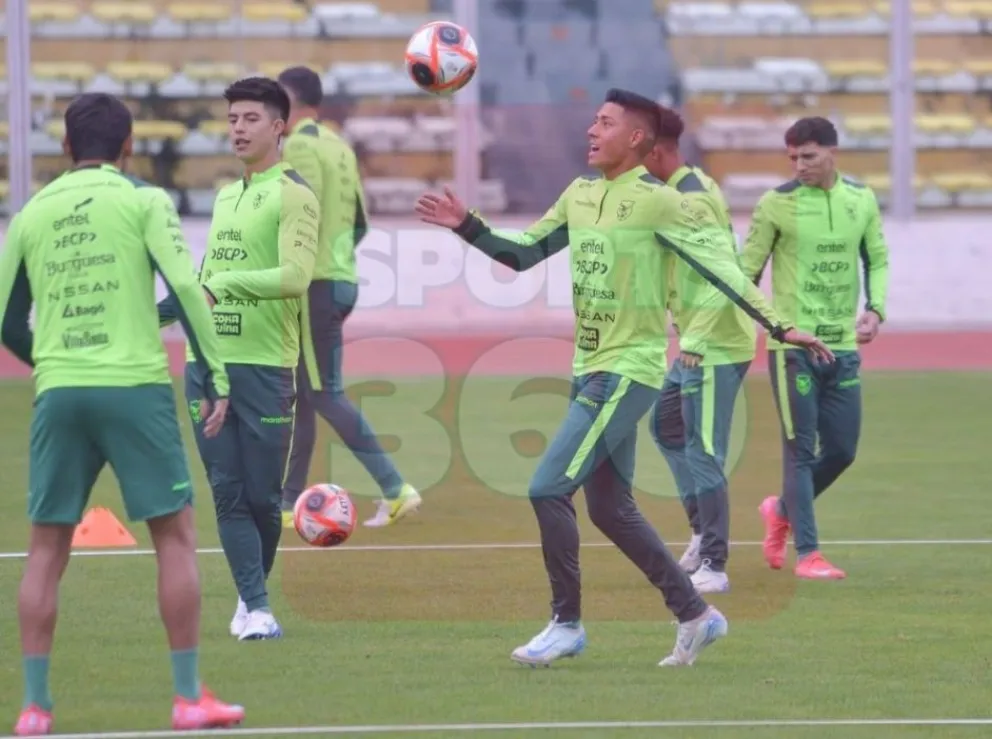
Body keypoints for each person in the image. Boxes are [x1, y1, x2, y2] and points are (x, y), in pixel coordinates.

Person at [415, 88, 834, 668]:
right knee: (611, 510)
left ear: (636, 138)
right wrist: (467, 225)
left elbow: (724, 270)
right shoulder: (581, 195)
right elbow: (522, 255)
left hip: (628, 371)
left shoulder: (661, 203)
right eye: (592, 119)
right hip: (587, 368)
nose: (591, 129)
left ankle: (567, 624)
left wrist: (783, 328)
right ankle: (695, 614)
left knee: (547, 488)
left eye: (605, 122)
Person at [0, 92, 244, 735]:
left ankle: (32, 708)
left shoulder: (30, 214)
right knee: (174, 537)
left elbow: (4, 320)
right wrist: (216, 374)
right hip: (135, 388)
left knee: (46, 549)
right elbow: (185, 288)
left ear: (65, 150)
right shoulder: (144, 202)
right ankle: (188, 698)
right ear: (130, 145)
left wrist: (51, 361)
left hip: (60, 392)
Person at [159, 77, 320, 640]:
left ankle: (254, 599)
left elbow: (295, 278)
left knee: (261, 498)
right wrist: (149, 314)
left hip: (267, 367)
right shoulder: (226, 197)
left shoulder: (294, 195)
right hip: (210, 364)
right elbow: (201, 284)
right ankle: (257, 605)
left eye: (250, 119)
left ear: (279, 127)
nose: (237, 129)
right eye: (232, 120)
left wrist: (223, 284)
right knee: (227, 491)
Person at [739, 116, 889, 580]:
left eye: (808, 156)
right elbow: (746, 275)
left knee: (842, 450)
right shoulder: (775, 205)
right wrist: (778, 327)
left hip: (842, 347)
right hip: (793, 349)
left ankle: (780, 508)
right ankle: (809, 554)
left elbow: (877, 259)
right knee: (800, 453)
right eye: (792, 158)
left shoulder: (861, 200)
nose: (799, 166)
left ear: (831, 152)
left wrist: (876, 309)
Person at [276, 66, 421, 529]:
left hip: (314, 283)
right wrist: (335, 260)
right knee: (305, 392)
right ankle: (287, 501)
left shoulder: (297, 144)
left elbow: (301, 213)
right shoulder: (338, 144)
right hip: (340, 277)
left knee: (323, 392)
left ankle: (395, 488)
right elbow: (360, 220)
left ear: (286, 99)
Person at [643, 105, 756, 595]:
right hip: (698, 340)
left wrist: (695, 338)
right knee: (666, 426)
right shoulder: (689, 189)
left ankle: (714, 561)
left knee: (704, 449)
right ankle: (699, 530)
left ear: (655, 151)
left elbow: (724, 275)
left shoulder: (694, 200)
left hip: (714, 344)